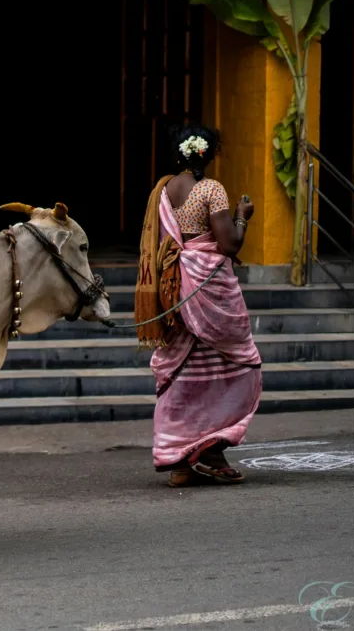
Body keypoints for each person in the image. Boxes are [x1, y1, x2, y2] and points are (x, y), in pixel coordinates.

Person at [134, 123, 260, 488]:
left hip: (175, 287)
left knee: (183, 375)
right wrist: (242, 215)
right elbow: (230, 245)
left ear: (181, 154)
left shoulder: (164, 190)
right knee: (240, 366)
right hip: (208, 287)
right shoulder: (210, 189)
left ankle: (179, 460)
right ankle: (210, 449)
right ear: (208, 154)